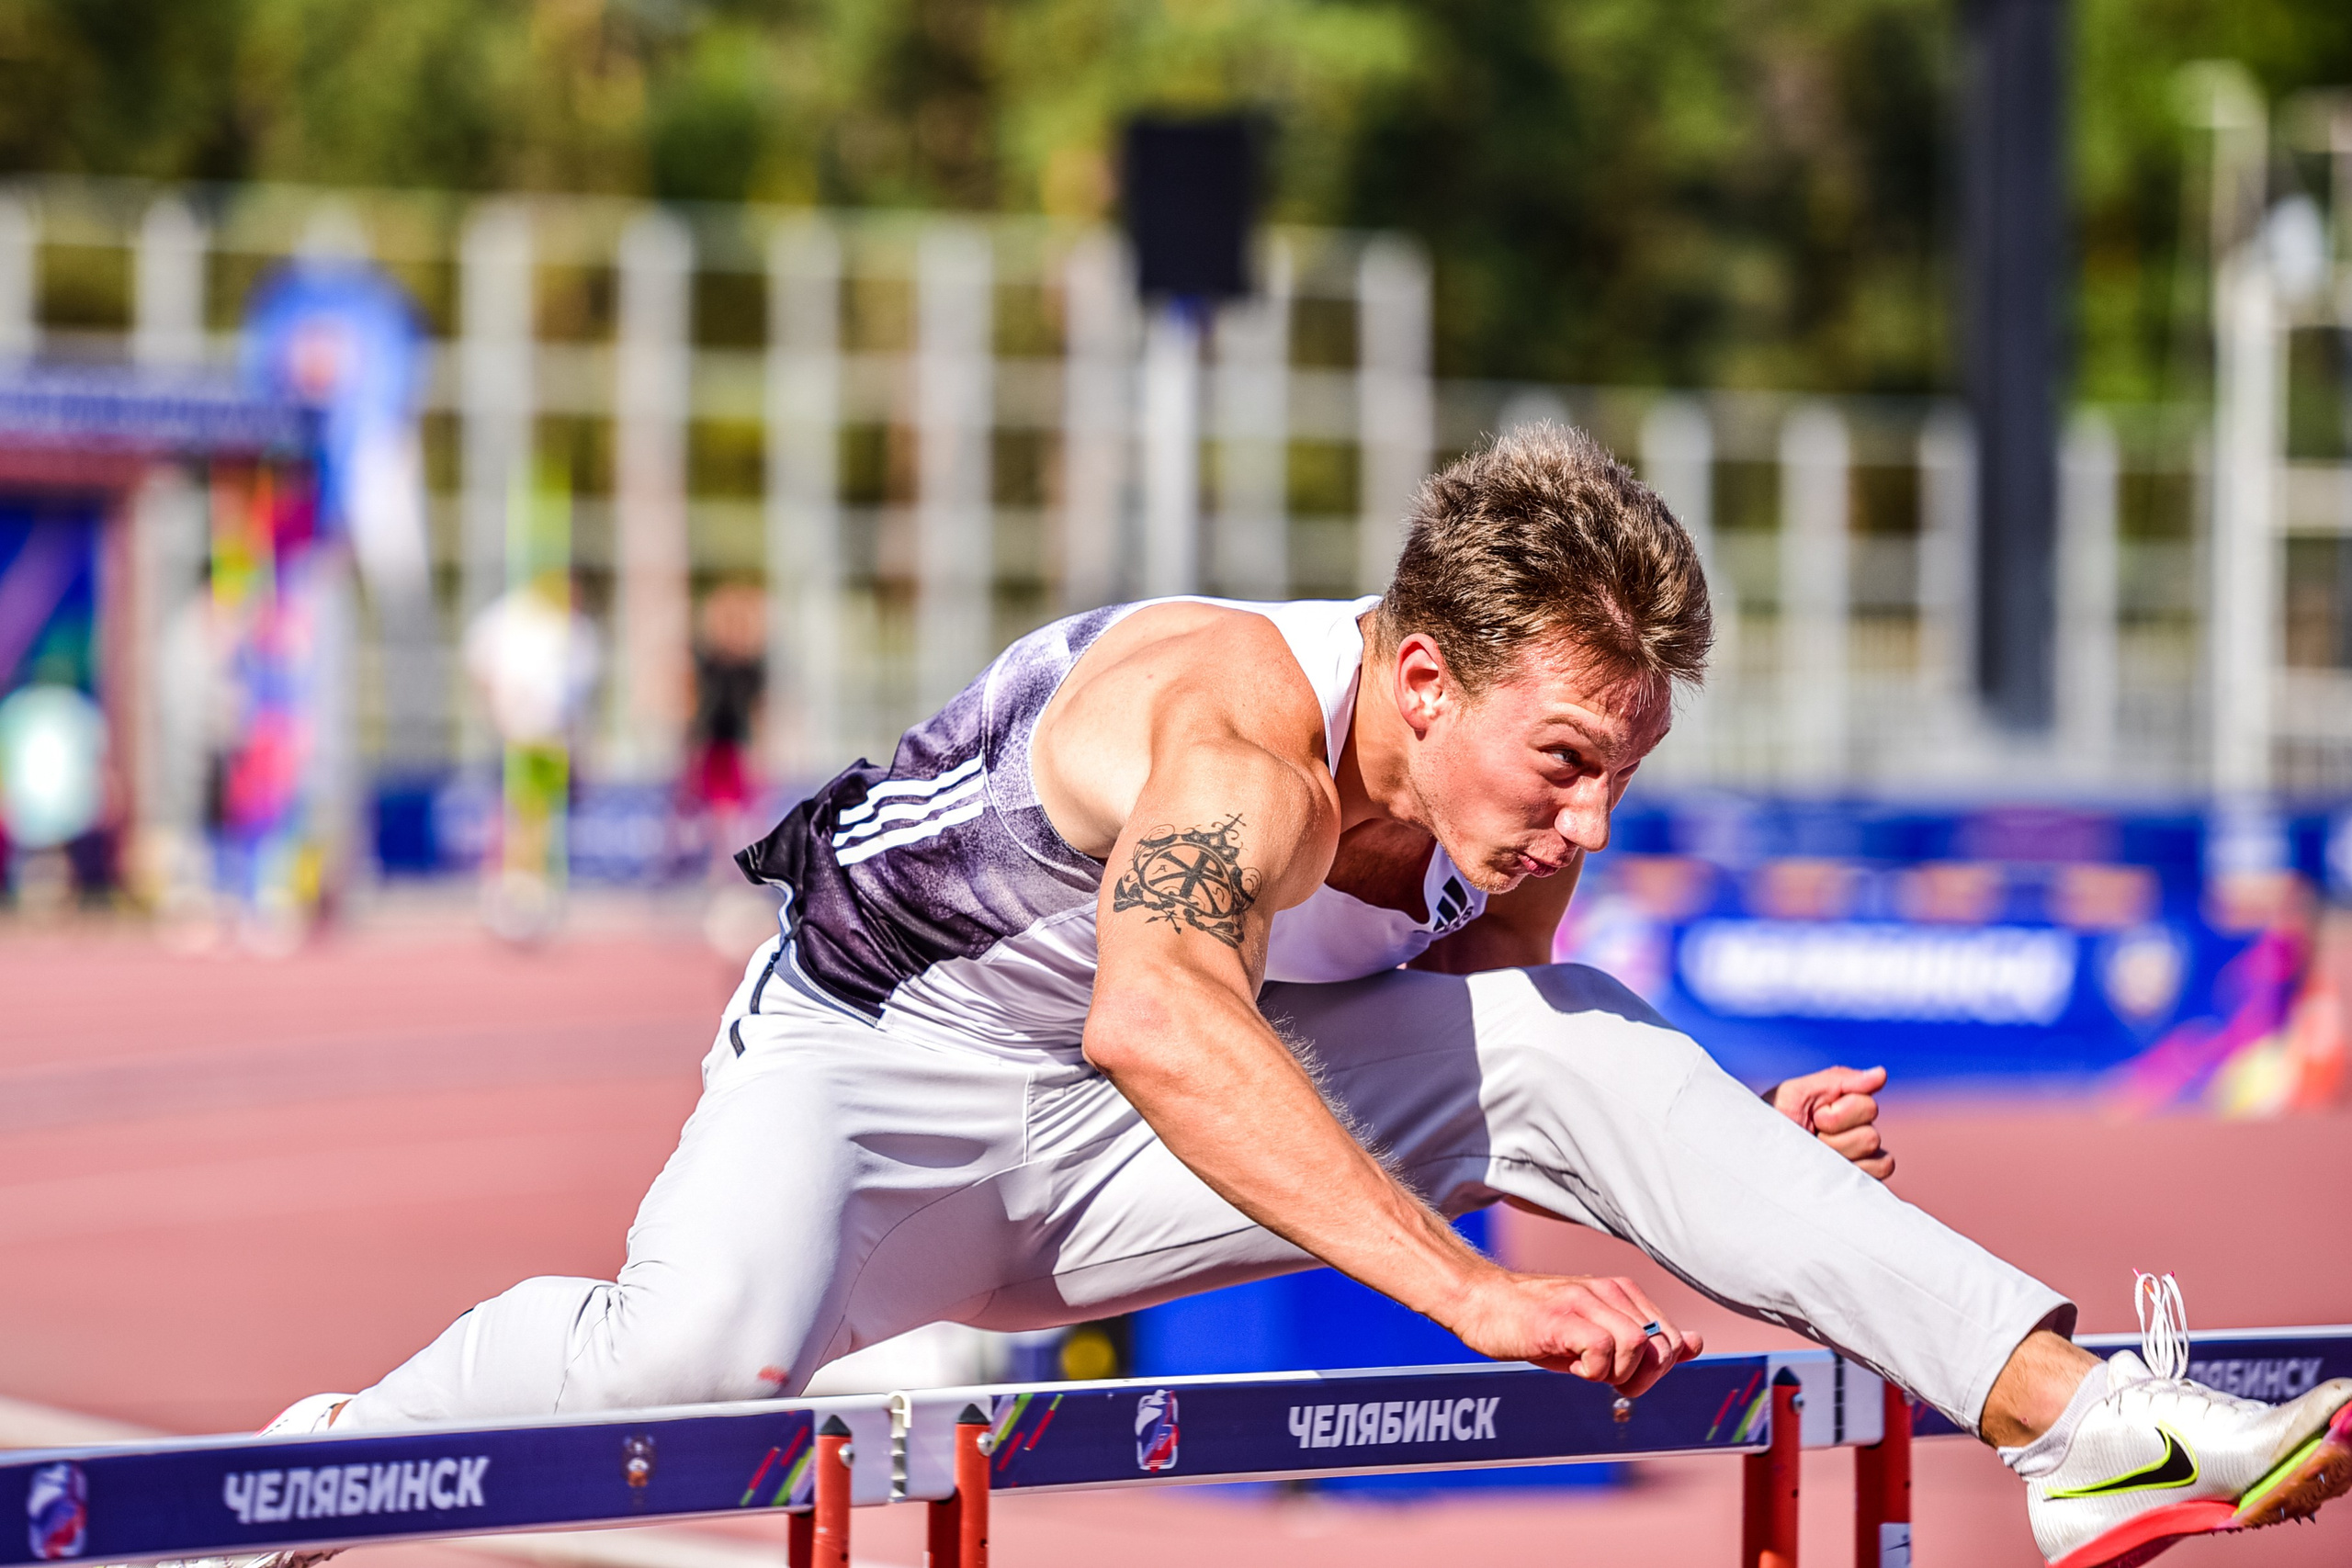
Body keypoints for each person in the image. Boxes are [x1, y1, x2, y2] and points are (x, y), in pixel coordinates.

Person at [277, 426, 2346, 1568]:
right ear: (1421, 678)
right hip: (880, 1075)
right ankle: (313, 1463)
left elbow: (1499, 1084)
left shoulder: (1499, 817)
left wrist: (1723, 1161)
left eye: (1628, 767)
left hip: (1119, 1152)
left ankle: (2084, 1426)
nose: (1593, 816)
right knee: (683, 1371)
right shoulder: (1225, 739)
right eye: (1565, 762)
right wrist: (1464, 1293)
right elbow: (1164, 1016)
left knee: (1574, 1020)